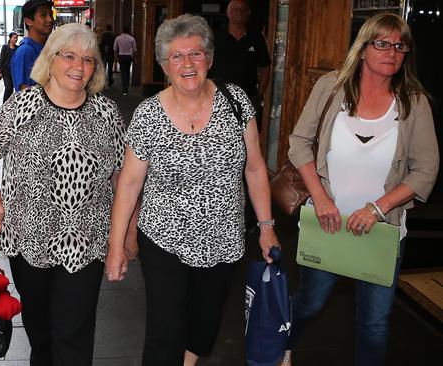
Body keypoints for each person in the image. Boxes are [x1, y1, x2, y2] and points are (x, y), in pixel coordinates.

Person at [106, 14, 279, 366]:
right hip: (164, 238)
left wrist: (267, 227)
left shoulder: (236, 103)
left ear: (210, 59)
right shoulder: (148, 115)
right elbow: (129, 182)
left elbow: (256, 167)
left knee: (203, 324)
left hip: (224, 236)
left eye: (196, 54)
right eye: (176, 56)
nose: (187, 63)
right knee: (164, 330)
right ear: (164, 66)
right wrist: (117, 244)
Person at [0, 23, 135, 365]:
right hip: (29, 242)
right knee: (41, 335)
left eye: (88, 59)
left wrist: (125, 238)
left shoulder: (106, 114)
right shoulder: (22, 106)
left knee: (73, 334)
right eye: (68, 56)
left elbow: (123, 180)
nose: (78, 66)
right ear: (50, 60)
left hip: (86, 243)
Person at [284, 12, 439, 366]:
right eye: (382, 43)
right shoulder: (331, 86)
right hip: (327, 223)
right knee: (310, 303)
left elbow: (426, 169)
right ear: (364, 47)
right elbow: (299, 144)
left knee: (375, 322)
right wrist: (321, 199)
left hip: (382, 231)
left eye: (400, 46)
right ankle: (278, 342)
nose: (392, 52)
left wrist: (378, 209)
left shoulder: (414, 103)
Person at [209, 0, 270, 129]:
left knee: (247, 137)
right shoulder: (215, 36)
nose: (239, 12)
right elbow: (203, 63)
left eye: (243, 9)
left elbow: (265, 66)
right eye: (236, 8)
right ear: (227, 12)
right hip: (218, 97)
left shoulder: (256, 37)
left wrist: (259, 94)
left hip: (248, 98)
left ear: (249, 13)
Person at [11, 0, 54, 92]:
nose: (50, 19)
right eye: (43, 15)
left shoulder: (48, 48)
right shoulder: (25, 52)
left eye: (50, 14)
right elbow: (25, 94)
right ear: (28, 21)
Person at [113, 26, 137, 95]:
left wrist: (116, 57)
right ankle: (126, 86)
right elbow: (135, 50)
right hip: (129, 57)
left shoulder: (118, 38)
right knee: (127, 71)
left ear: (122, 31)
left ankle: (124, 89)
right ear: (128, 31)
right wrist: (135, 58)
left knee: (123, 72)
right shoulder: (132, 39)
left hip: (121, 56)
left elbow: (115, 48)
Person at [0, 32, 19, 102]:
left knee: (12, 88)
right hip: (6, 71)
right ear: (10, 38)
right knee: (8, 87)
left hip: (14, 72)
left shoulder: (17, 48)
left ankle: (9, 103)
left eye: (16, 38)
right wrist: (0, 71)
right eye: (14, 38)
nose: (15, 39)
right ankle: (4, 103)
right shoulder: (5, 47)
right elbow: (2, 59)